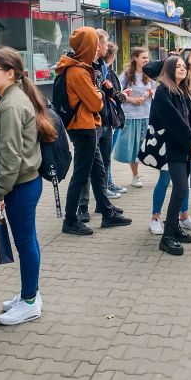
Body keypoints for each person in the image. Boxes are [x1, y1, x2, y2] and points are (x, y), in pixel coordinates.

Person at [0, 47, 56, 326]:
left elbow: (10, 156)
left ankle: (29, 301)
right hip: (24, 183)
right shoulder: (11, 99)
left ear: (10, 73)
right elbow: (7, 139)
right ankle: (29, 293)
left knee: (25, 243)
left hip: (20, 185)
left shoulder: (11, 104)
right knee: (28, 241)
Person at [54, 27, 131, 236]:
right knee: (81, 174)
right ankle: (70, 220)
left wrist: (96, 90)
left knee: (98, 171)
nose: (98, 46)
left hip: (87, 126)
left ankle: (107, 212)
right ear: (87, 46)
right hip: (83, 127)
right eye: (94, 42)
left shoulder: (78, 67)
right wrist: (98, 91)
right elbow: (96, 103)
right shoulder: (78, 71)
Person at [150, 45, 191, 235]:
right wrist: (172, 59)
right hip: (171, 143)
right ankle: (156, 218)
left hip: (185, 144)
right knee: (168, 180)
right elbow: (173, 119)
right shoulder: (165, 87)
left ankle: (181, 218)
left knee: (182, 183)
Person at [76, 30, 128, 222]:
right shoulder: (85, 67)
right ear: (97, 45)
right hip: (90, 123)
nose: (107, 47)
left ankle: (103, 202)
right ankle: (82, 206)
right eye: (105, 43)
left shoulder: (101, 66)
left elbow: (113, 95)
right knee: (88, 166)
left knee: (104, 164)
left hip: (105, 121)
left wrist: (111, 91)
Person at [114, 47, 156, 189]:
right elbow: (117, 95)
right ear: (135, 58)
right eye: (143, 57)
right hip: (131, 116)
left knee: (152, 147)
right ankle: (135, 176)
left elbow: (156, 90)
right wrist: (131, 99)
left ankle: (165, 174)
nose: (146, 60)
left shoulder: (150, 74)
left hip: (147, 115)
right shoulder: (126, 75)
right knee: (133, 149)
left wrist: (149, 94)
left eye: (147, 58)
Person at [104, 42, 128, 195]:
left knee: (107, 155)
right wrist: (124, 95)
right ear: (112, 56)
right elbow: (116, 96)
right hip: (110, 118)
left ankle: (108, 183)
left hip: (110, 118)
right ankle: (106, 185)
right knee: (106, 155)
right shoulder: (106, 72)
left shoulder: (105, 71)